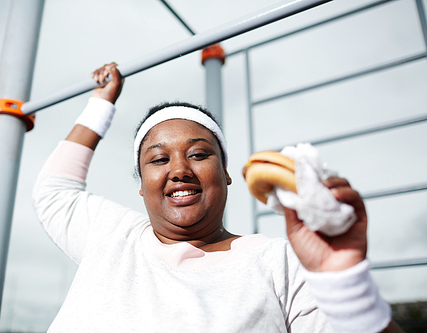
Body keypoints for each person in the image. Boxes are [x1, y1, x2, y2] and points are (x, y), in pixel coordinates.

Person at [32, 63, 403, 332]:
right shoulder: (111, 234)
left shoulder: (283, 262)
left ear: (226, 174)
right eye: (159, 159)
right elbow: (54, 188)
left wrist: (345, 285)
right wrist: (101, 104)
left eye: (198, 154)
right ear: (142, 185)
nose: (179, 170)